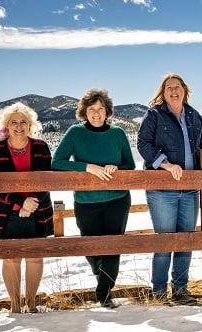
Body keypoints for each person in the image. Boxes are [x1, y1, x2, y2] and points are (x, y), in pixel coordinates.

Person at [52, 89, 135, 309]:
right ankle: (102, 274)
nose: (96, 113)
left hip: (117, 199)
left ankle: (104, 293)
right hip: (86, 201)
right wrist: (87, 167)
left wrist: (115, 167)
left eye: (100, 109)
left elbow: (130, 165)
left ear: (107, 111)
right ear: (84, 112)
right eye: (91, 109)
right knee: (90, 247)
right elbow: (57, 163)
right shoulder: (75, 133)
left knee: (113, 246)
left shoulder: (117, 133)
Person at [137, 74, 202, 305]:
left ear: (185, 90)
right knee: (165, 241)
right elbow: (143, 143)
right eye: (169, 88)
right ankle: (158, 292)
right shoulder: (155, 114)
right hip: (162, 190)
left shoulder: (193, 115)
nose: (173, 91)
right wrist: (165, 163)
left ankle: (180, 289)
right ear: (163, 92)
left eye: (177, 87)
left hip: (189, 189)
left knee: (186, 240)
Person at [0, 102, 54, 313]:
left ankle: (31, 303)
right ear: (6, 125)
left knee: (35, 256)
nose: (18, 126)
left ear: (30, 125)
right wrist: (19, 203)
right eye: (13, 122)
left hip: (38, 210)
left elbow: (46, 179)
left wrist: (31, 202)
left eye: (23, 122)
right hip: (7, 213)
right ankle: (15, 305)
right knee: (11, 257)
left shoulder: (41, 147)